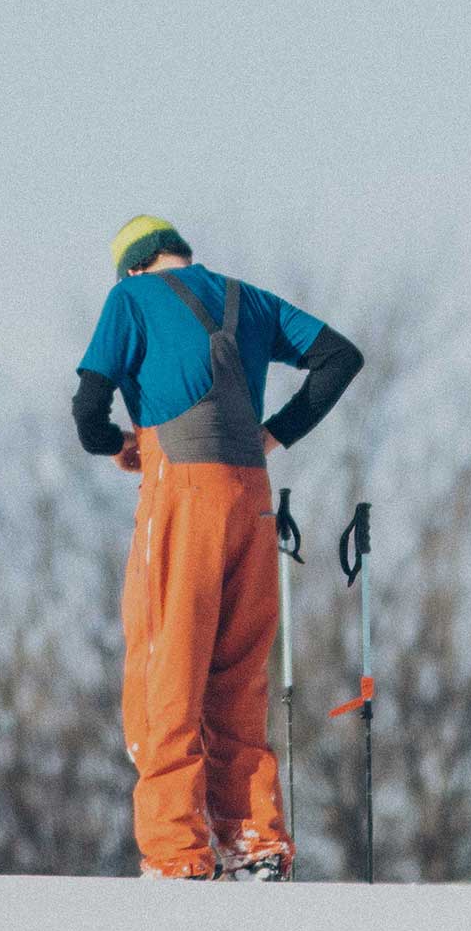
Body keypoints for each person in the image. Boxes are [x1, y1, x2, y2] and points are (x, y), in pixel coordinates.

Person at [74, 217, 362, 880]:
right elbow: (341, 357)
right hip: (251, 499)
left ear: (133, 267)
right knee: (238, 677)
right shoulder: (248, 298)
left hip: (182, 495)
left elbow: (88, 409)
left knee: (165, 667)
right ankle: (255, 843)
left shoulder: (130, 300)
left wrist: (118, 442)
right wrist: (274, 434)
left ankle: (178, 853)